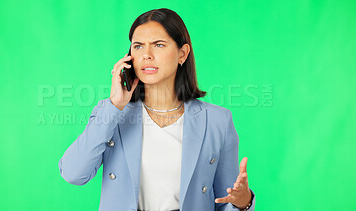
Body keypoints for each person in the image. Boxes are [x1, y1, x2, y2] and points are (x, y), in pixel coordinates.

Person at [58, 8, 255, 211]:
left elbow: (226, 200)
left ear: (182, 53)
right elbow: (73, 174)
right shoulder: (112, 113)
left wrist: (243, 202)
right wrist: (115, 105)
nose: (147, 55)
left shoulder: (217, 120)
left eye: (158, 45)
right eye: (138, 46)